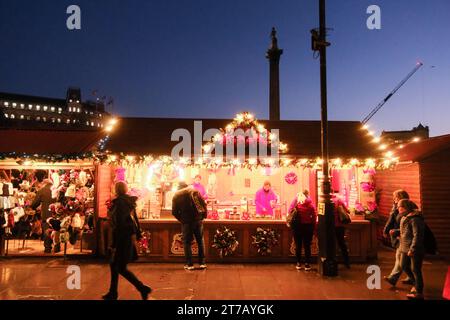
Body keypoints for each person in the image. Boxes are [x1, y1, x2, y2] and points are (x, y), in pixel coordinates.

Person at [102, 181, 152, 300]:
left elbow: (119, 224)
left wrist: (114, 243)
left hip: (122, 238)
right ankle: (113, 292)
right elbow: (134, 219)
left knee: (120, 267)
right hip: (127, 237)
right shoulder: (129, 202)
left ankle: (142, 288)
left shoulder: (119, 204)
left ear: (116, 190)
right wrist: (138, 233)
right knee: (114, 265)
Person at [383, 190, 416, 286]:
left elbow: (403, 225)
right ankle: (410, 278)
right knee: (403, 259)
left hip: (404, 238)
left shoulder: (404, 210)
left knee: (400, 258)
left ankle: (394, 278)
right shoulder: (398, 208)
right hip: (401, 236)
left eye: (395, 197)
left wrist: (394, 231)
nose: (394, 199)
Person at [172, 182, 207, 270]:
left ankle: (189, 264)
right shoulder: (195, 192)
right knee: (200, 241)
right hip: (198, 220)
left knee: (187, 242)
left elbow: (174, 212)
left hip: (186, 221)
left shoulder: (176, 196)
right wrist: (203, 216)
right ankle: (202, 263)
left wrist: (182, 219)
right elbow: (203, 205)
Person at [397, 199, 425, 299]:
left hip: (414, 249)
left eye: (400, 207)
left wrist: (413, 249)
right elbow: (405, 230)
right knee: (403, 265)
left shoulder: (415, 219)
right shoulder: (405, 217)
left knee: (415, 269)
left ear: (406, 208)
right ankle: (415, 284)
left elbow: (417, 235)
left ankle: (419, 293)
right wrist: (396, 232)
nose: (398, 209)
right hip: (404, 247)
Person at [288, 190, 317, 271]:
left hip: (297, 228)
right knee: (307, 246)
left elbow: (290, 212)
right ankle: (307, 264)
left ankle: (298, 263)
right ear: (307, 196)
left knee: (298, 246)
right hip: (308, 228)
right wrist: (314, 228)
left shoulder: (297, 205)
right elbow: (314, 218)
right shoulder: (311, 206)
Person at [31, 179, 56, 253]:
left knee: (47, 230)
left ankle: (48, 248)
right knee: (56, 230)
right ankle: (57, 247)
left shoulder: (42, 190)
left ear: (44, 183)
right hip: (58, 213)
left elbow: (35, 203)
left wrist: (33, 207)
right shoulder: (56, 189)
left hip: (46, 214)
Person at [333, 195, 351, 269]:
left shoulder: (325, 200)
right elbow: (347, 211)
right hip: (340, 226)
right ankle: (346, 262)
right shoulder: (339, 200)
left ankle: (333, 262)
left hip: (331, 226)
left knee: (332, 245)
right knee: (342, 244)